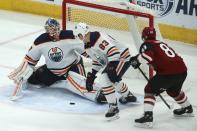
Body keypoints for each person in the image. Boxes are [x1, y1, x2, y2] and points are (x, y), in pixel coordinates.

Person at [8, 18, 106, 104]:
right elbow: (30, 60)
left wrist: (97, 57)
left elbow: (86, 49)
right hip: (53, 70)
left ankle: (98, 94)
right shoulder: (40, 40)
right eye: (50, 30)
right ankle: (62, 81)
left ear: (59, 28)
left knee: (75, 80)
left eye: (55, 29)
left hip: (73, 67)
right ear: (46, 30)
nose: (53, 32)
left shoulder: (71, 35)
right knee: (32, 79)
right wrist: (24, 75)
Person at [130, 27, 194, 128]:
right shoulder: (160, 43)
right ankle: (187, 108)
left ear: (144, 36)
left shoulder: (147, 44)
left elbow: (148, 56)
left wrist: (136, 59)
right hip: (182, 70)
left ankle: (148, 117)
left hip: (168, 73)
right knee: (173, 91)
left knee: (149, 89)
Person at [73, 22, 137, 120]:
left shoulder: (97, 38)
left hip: (122, 57)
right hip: (114, 58)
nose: (79, 38)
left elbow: (114, 51)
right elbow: (99, 61)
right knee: (111, 79)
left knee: (105, 79)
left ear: (83, 34)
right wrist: (92, 75)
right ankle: (128, 95)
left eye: (79, 36)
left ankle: (113, 107)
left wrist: (111, 67)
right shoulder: (88, 45)